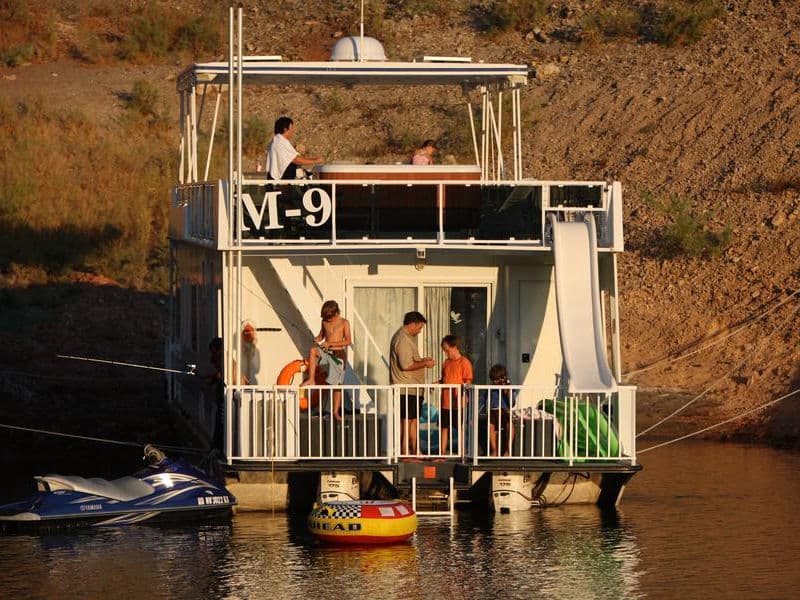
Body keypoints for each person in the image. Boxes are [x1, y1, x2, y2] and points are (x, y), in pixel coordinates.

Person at [390, 311, 435, 456]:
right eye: (419, 327)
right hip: (406, 388)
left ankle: (415, 450)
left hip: (413, 388)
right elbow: (406, 365)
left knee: (413, 420)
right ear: (412, 324)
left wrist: (423, 360)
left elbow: (411, 361)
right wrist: (425, 364)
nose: (420, 331)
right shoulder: (402, 339)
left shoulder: (407, 338)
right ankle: (404, 450)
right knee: (407, 420)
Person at [301, 300, 352, 420]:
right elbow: (322, 335)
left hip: (338, 354)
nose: (327, 320)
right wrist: (318, 338)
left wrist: (331, 343)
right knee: (313, 350)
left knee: (337, 384)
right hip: (327, 351)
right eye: (326, 318)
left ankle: (335, 411)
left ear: (335, 313)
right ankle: (311, 379)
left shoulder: (344, 322)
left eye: (329, 318)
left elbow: (348, 341)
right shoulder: (324, 322)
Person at [438, 335, 473, 455]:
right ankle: (442, 451)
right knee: (444, 427)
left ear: (455, 347)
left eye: (447, 350)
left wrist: (462, 389)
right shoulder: (446, 363)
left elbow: (468, 380)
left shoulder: (464, 362)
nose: (445, 353)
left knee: (460, 427)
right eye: (444, 350)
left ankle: (462, 452)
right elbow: (444, 379)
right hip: (445, 401)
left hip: (459, 402)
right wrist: (436, 383)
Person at [265, 116, 324, 180]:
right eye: (291, 128)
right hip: (282, 183)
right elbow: (296, 160)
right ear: (285, 129)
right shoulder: (281, 142)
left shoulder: (276, 141)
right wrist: (316, 160)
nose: (293, 131)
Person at [478, 364, 517, 456]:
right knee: (490, 425)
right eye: (493, 380)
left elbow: (512, 403)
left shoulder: (509, 387)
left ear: (502, 378)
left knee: (510, 425)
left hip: (504, 412)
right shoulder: (490, 388)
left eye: (497, 379)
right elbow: (482, 400)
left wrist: (507, 391)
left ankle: (508, 450)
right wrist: (478, 411)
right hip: (493, 412)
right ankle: (494, 450)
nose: (495, 382)